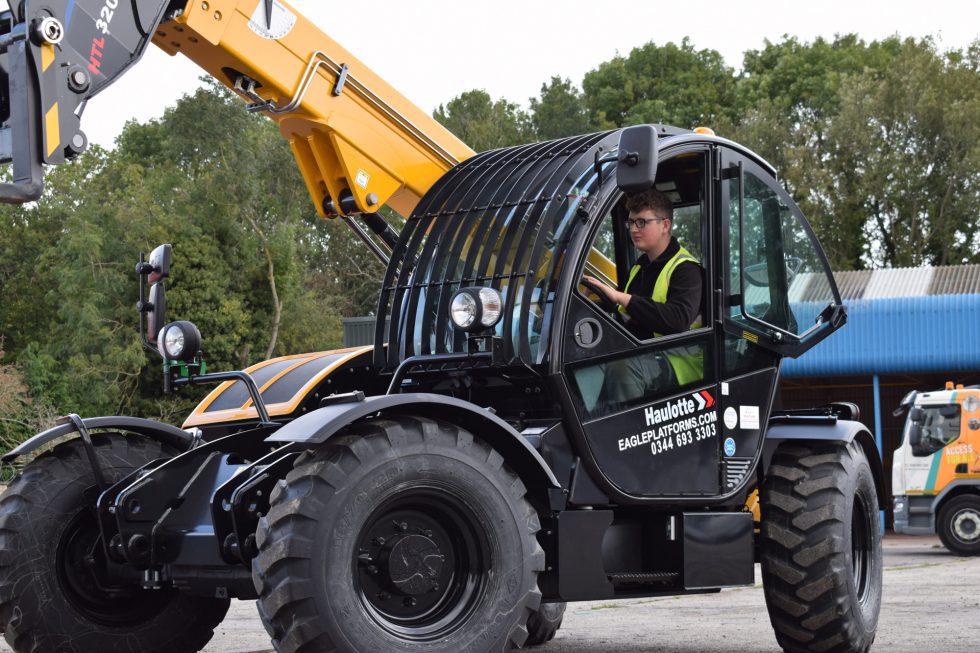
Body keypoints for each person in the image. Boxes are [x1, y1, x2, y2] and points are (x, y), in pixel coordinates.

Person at [582, 187, 703, 402]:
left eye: (642, 222)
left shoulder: (686, 269)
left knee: (622, 367)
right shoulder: (639, 268)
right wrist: (587, 303)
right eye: (631, 222)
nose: (634, 229)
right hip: (642, 350)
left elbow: (678, 319)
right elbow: (624, 310)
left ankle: (625, 422)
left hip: (676, 359)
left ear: (665, 225)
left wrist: (620, 297)